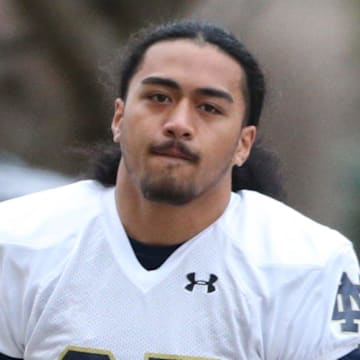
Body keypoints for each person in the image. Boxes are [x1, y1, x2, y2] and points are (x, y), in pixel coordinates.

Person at [0, 20, 359, 360]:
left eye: (209, 107)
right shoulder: (17, 241)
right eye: (159, 97)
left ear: (243, 144)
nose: (179, 124)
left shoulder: (307, 265)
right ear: (119, 119)